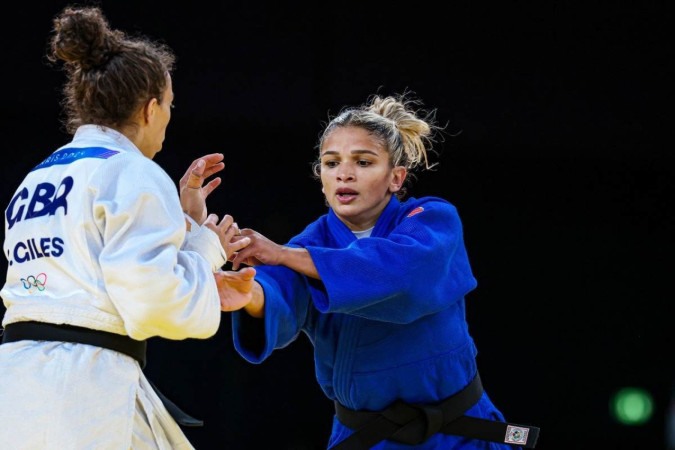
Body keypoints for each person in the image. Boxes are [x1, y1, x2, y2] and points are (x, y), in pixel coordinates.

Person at [0, 5, 255, 450]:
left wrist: (186, 226)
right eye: (170, 105)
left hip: (21, 381)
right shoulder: (132, 171)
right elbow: (153, 302)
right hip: (83, 388)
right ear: (151, 107)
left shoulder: (38, 176)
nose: (169, 119)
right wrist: (205, 245)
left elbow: (92, 271)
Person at [228, 93, 540, 449]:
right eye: (331, 163)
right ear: (321, 177)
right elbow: (279, 292)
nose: (344, 173)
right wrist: (248, 294)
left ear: (395, 177)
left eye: (363, 162)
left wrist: (284, 254)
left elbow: (398, 274)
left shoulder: (434, 220)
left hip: (461, 430)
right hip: (367, 438)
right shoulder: (308, 245)